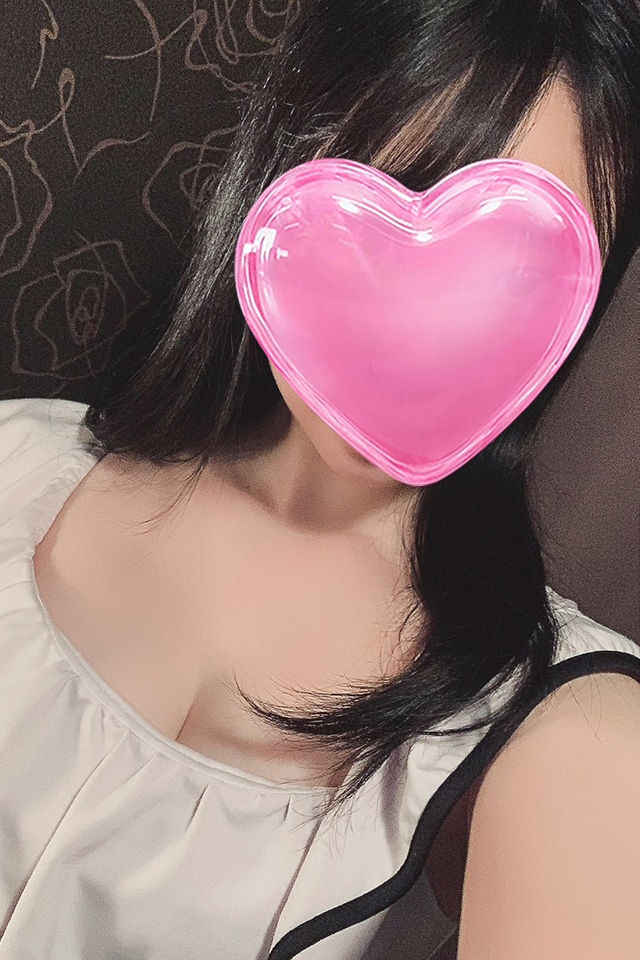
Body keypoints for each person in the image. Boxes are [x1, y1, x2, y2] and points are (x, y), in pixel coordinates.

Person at [1, 2, 639, 958]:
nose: (420, 324)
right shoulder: (18, 463)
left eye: (514, 268)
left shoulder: (572, 726)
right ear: (276, 180)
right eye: (380, 201)